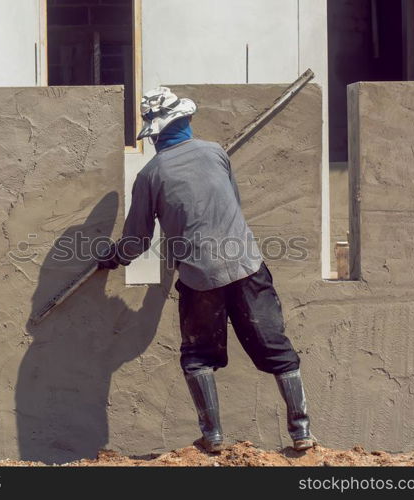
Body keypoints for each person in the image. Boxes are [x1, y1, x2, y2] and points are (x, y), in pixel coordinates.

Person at [97, 86, 314, 452]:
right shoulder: (216, 152)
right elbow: (234, 207)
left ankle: (212, 436)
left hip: (200, 279)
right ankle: (301, 430)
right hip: (247, 266)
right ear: (185, 121)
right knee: (276, 347)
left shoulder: (150, 175)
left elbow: (136, 240)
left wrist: (114, 257)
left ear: (155, 133)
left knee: (199, 357)